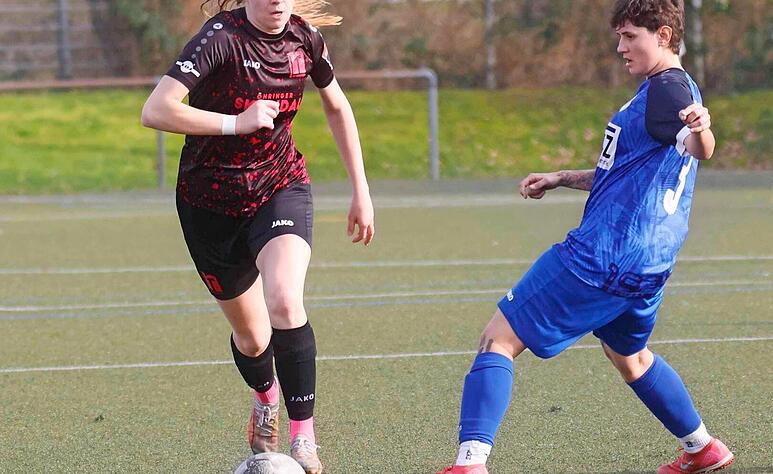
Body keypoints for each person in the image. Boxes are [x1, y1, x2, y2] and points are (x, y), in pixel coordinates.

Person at [438, 1, 734, 473]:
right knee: (629, 355)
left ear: (662, 34)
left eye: (629, 36)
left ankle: (470, 463)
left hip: (603, 256)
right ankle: (702, 447)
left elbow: (702, 147)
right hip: (649, 263)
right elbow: (627, 173)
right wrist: (562, 177)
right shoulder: (664, 91)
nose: (620, 47)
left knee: (497, 339)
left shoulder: (667, 90)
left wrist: (703, 129)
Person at [141, 1, 374, 472]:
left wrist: (361, 191)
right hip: (208, 204)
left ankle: (303, 436)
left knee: (285, 302)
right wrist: (235, 122)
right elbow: (156, 110)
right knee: (251, 339)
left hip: (279, 185)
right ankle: (265, 395)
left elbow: (337, 105)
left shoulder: (306, 39)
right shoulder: (219, 39)